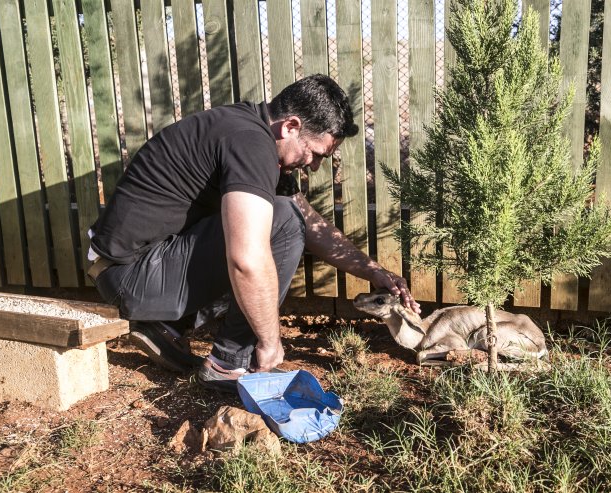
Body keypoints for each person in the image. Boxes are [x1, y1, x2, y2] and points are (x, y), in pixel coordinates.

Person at [88, 74, 420, 392]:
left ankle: (167, 326)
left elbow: (312, 224)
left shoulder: (257, 135)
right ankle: (227, 365)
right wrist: (270, 342)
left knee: (283, 220)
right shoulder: (250, 142)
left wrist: (373, 270)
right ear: (291, 126)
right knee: (276, 229)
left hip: (135, 266)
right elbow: (249, 258)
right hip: (130, 276)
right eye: (316, 154)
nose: (315, 166)